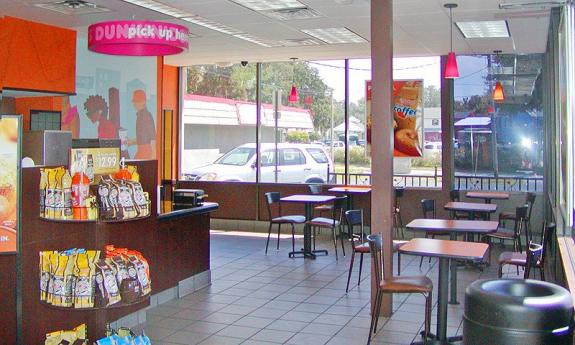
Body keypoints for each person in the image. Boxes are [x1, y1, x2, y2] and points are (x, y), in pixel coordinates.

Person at [129, 89, 156, 159]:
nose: (134, 104)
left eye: (137, 101)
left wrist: (152, 158)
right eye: (134, 102)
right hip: (142, 152)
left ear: (143, 102)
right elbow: (143, 138)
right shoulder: (141, 115)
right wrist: (131, 142)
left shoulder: (145, 116)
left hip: (146, 154)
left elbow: (153, 138)